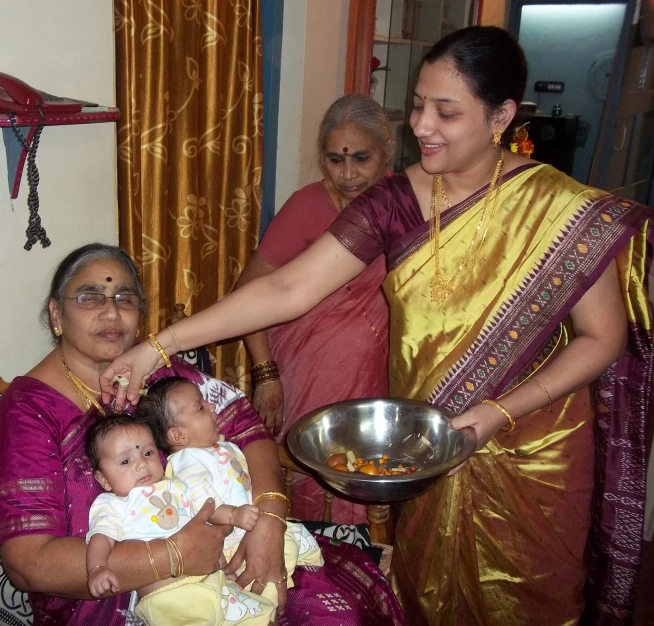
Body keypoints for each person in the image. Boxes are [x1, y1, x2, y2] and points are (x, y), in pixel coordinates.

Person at [100, 26, 653, 625]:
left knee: (532, 601)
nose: (421, 126)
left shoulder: (565, 212)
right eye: (418, 105)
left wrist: (500, 412)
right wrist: (160, 346)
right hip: (432, 446)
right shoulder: (396, 202)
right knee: (427, 590)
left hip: (534, 450)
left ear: (501, 115)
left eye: (446, 111)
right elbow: (289, 286)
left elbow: (604, 338)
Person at [0, 243, 404, 626]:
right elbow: (27, 561)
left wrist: (268, 521)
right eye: (90, 298)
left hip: (233, 548)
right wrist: (171, 556)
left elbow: (249, 428)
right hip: (119, 597)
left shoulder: (161, 373)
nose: (111, 313)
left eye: (125, 298)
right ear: (56, 315)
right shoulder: (28, 410)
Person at [236, 93, 392, 523]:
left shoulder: (406, 203)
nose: (347, 174)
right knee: (316, 477)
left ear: (387, 150)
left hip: (386, 372)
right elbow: (249, 292)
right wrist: (265, 375)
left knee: (373, 473)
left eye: (362, 158)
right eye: (334, 160)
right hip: (310, 373)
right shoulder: (307, 205)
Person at [84, 411, 321, 625]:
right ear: (103, 480)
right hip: (170, 596)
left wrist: (232, 517)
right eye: (126, 461)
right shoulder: (113, 504)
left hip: (214, 581)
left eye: (147, 453)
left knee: (262, 616)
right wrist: (97, 568)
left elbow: (206, 513)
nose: (142, 464)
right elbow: (101, 537)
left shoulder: (176, 486)